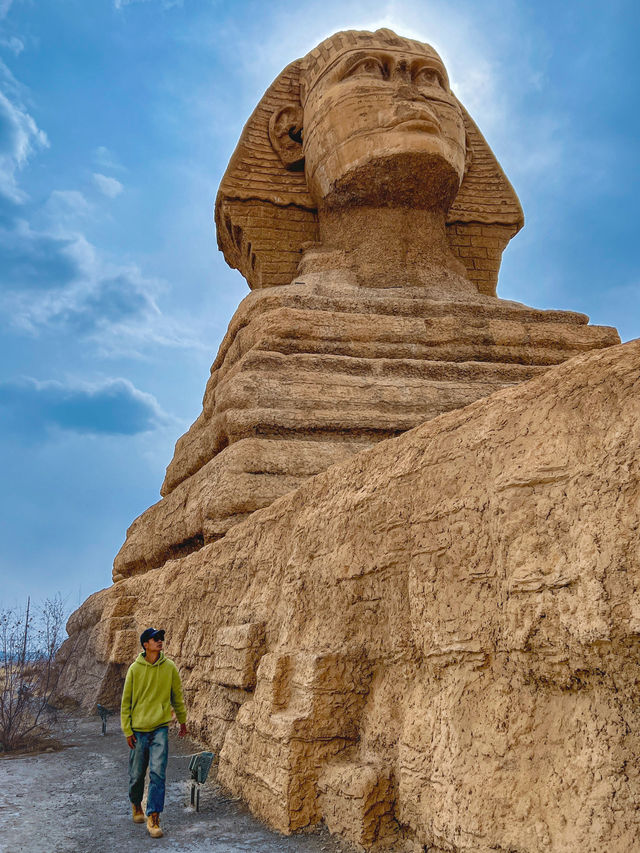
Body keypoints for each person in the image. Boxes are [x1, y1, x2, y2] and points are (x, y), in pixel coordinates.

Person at [120, 627, 187, 838]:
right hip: (138, 730)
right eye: (155, 639)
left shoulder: (170, 668)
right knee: (137, 774)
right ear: (145, 644)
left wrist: (183, 721)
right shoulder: (134, 669)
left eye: (161, 638)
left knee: (158, 773)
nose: (160, 641)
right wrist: (127, 730)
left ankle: (154, 816)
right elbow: (126, 703)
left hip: (160, 728)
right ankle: (135, 803)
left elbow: (177, 696)